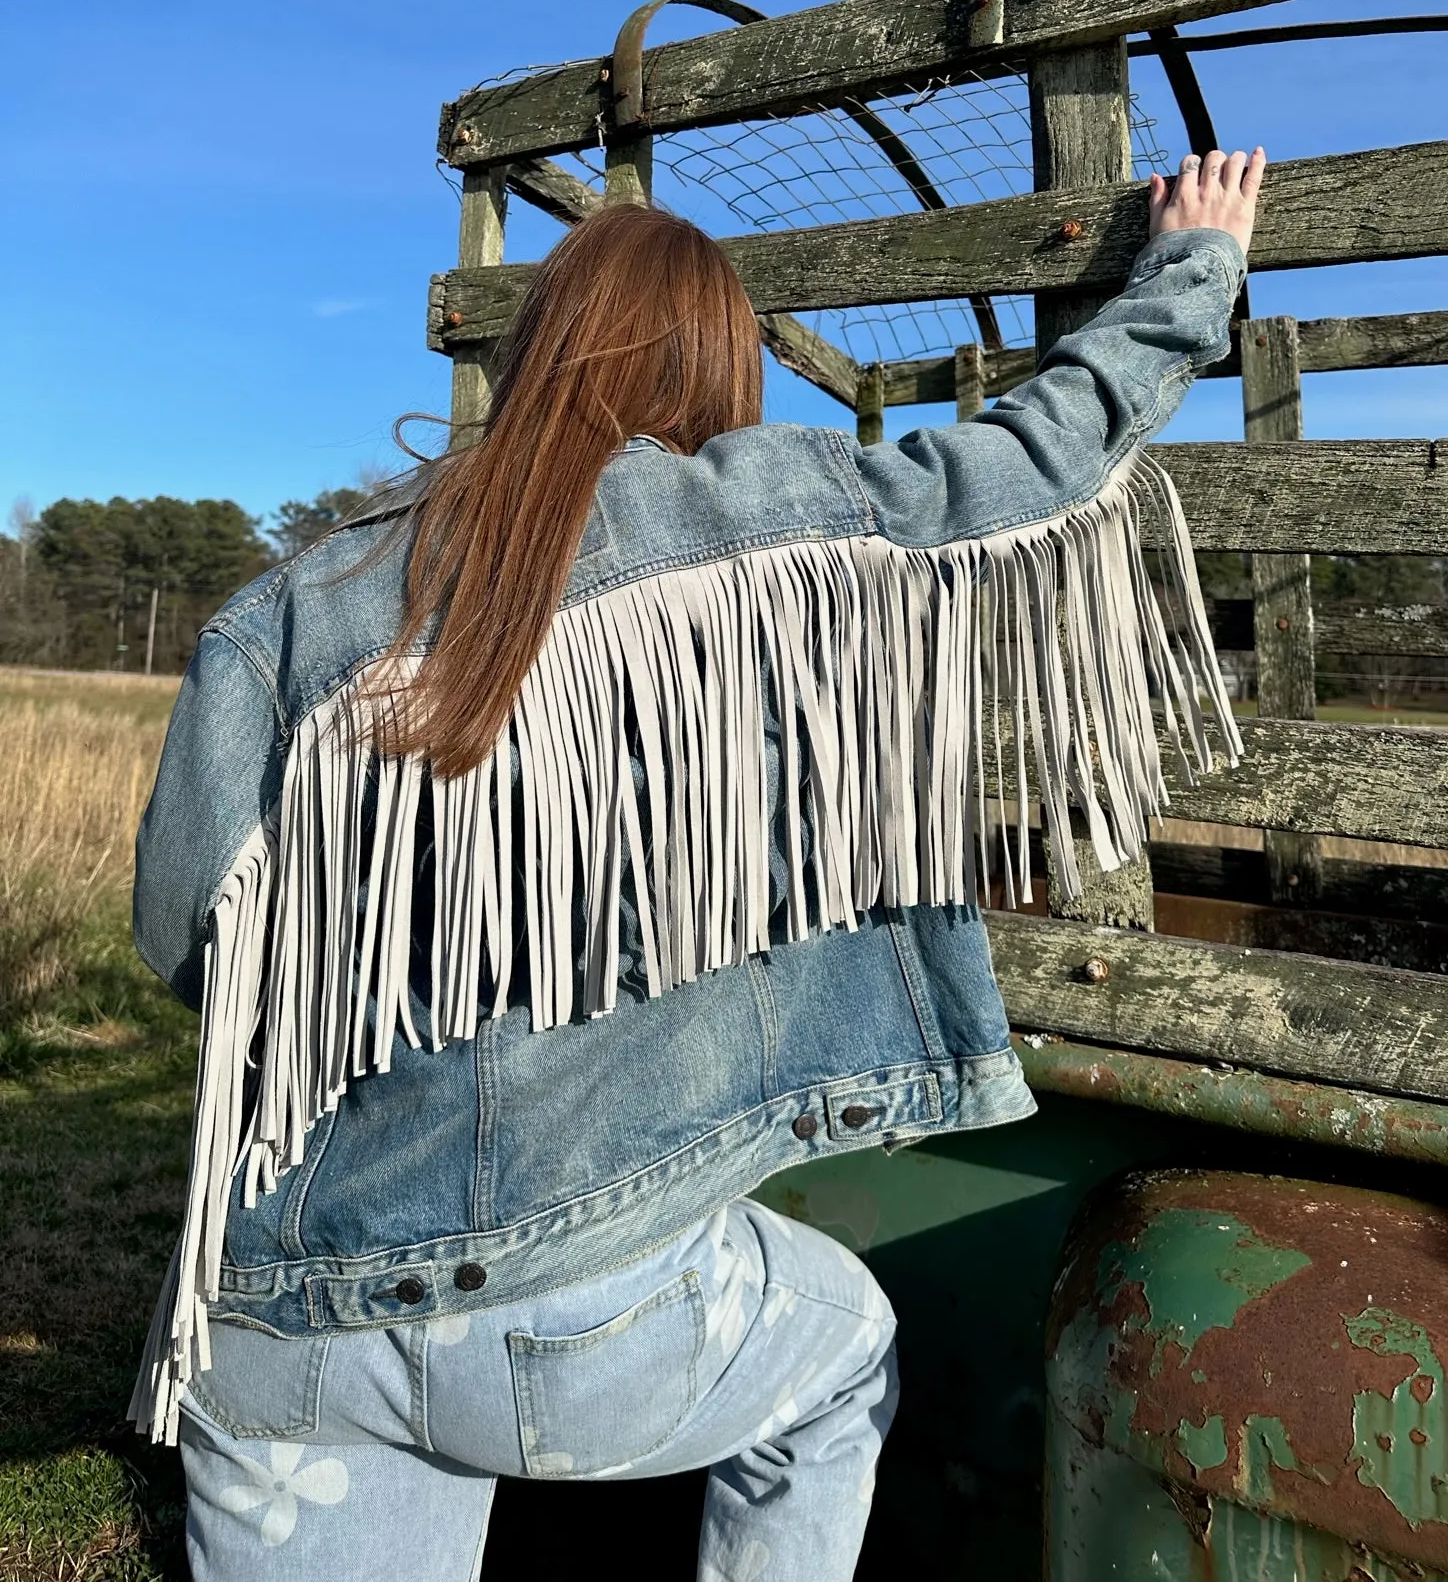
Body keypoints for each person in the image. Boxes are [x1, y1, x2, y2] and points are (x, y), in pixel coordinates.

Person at [131, 145, 1262, 1580]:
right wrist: (1192, 270)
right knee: (842, 1361)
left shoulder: (292, 609)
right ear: (714, 369)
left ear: (537, 351)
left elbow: (187, 939)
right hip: (579, 1315)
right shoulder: (773, 513)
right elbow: (1033, 467)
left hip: (278, 1307)